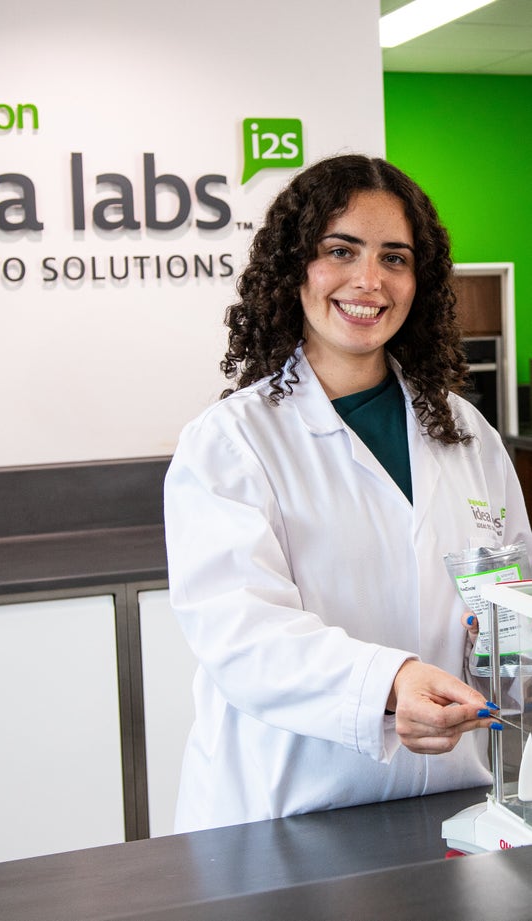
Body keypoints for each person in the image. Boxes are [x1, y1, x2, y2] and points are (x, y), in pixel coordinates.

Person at [163, 153, 532, 833]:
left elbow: (511, 600)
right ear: (294, 266)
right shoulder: (232, 442)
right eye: (341, 250)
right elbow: (244, 636)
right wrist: (391, 686)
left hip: (451, 804)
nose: (370, 280)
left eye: (395, 258)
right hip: (288, 816)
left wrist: (514, 656)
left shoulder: (466, 433)